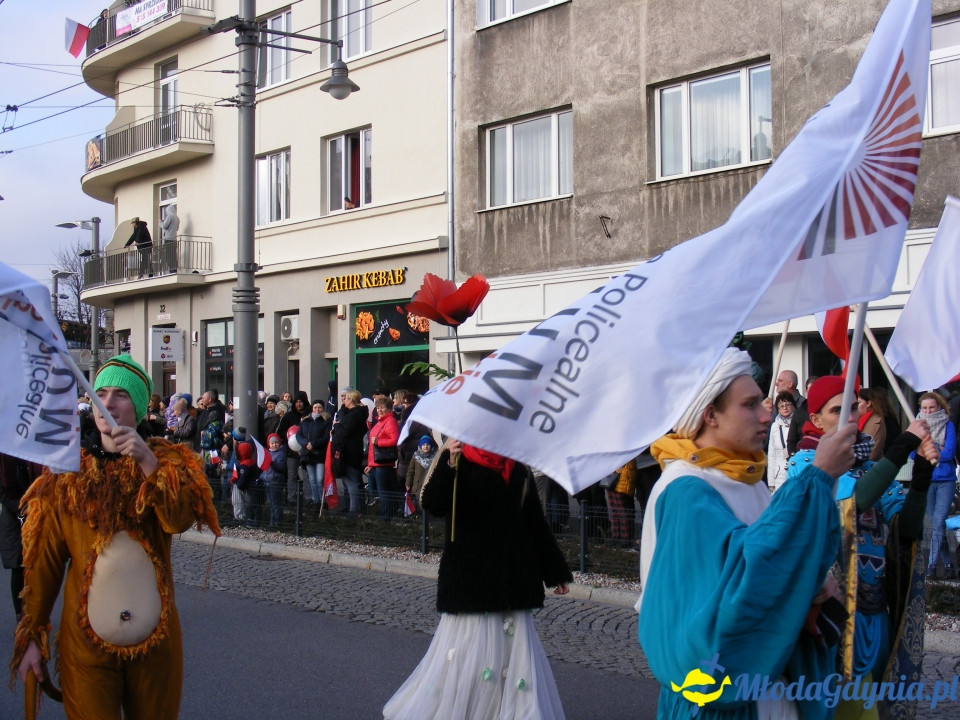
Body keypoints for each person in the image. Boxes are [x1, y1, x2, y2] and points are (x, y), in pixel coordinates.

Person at [638, 348, 858, 720]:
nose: (765, 414)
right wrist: (818, 476)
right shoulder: (685, 488)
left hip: (765, 685)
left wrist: (809, 585)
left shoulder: (745, 477)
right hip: (721, 699)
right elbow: (741, 581)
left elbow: (772, 568)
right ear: (710, 414)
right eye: (750, 404)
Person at [11, 354, 220, 719]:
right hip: (86, 650)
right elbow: (43, 566)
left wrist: (147, 463)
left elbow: (178, 520)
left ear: (138, 407)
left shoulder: (167, 464)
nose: (107, 403)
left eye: (120, 395)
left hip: (156, 649)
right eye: (101, 393)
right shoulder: (65, 477)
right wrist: (32, 635)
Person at [384, 439, 572, 720]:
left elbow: (534, 522)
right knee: (471, 654)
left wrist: (554, 571)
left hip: (513, 576)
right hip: (471, 576)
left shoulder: (517, 467)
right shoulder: (458, 458)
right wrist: (447, 462)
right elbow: (433, 503)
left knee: (514, 655)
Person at [789, 375, 935, 717]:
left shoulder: (871, 467)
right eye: (837, 410)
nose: (849, 417)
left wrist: (923, 476)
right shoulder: (804, 466)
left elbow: (906, 533)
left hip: (875, 613)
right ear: (815, 421)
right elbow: (851, 506)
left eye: (853, 408)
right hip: (834, 613)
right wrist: (901, 449)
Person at [917, 391, 956, 579]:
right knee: (935, 525)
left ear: (939, 407)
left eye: (931, 407)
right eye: (924, 407)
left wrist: (930, 450)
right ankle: (948, 563)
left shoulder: (948, 424)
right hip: (927, 479)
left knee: (939, 522)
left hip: (945, 480)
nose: (928, 410)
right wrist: (933, 450)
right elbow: (912, 454)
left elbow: (949, 452)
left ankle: (931, 566)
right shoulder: (917, 426)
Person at [0, 454, 43, 622]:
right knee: (18, 565)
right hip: (14, 515)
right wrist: (23, 509)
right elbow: (3, 491)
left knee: (41, 563)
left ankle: (38, 611)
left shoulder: (34, 453)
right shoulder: (5, 455)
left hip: (40, 510)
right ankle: (21, 615)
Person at [330, 389, 368, 518]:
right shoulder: (351, 414)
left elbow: (345, 431)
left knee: (352, 482)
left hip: (350, 453)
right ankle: (352, 507)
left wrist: (336, 426)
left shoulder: (355, 415)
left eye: (345, 398)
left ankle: (354, 510)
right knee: (349, 481)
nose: (343, 401)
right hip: (347, 451)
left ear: (351, 400)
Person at [366, 396, 400, 520]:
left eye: (382, 408)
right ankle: (386, 515)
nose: (379, 410)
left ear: (389, 409)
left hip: (383, 464)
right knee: (382, 491)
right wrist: (370, 464)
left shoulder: (390, 421)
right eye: (378, 407)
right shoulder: (380, 422)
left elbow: (394, 440)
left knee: (383, 491)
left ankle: (386, 516)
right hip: (377, 463)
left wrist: (379, 442)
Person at [297, 401, 332, 516]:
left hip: (320, 454)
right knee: (312, 480)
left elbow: (326, 437)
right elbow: (299, 435)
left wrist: (313, 444)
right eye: (315, 407)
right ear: (312, 408)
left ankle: (323, 502)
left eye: (320, 407)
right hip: (308, 454)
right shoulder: (305, 421)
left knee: (320, 479)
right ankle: (316, 502)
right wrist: (306, 443)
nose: (317, 410)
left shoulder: (326, 421)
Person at [767, 390, 796, 491]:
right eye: (781, 406)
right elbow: (771, 454)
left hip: (795, 469)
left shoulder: (798, 423)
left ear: (793, 405)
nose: (785, 408)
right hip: (779, 474)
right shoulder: (775, 426)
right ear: (778, 409)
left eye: (788, 404)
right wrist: (771, 483)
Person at [603, 460, 636, 548]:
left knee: (621, 512)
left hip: (618, 478)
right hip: (615, 478)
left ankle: (623, 539)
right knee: (617, 511)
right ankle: (619, 537)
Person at [404, 435, 436, 516]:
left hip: (429, 485)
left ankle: (428, 519)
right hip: (417, 485)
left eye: (427, 445)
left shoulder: (435, 458)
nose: (425, 446)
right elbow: (410, 471)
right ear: (420, 446)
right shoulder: (415, 457)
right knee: (417, 502)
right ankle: (418, 518)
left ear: (431, 446)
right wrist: (408, 483)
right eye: (423, 445)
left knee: (428, 501)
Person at [856, 387, 887, 461]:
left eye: (858, 403)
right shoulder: (855, 421)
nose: (855, 407)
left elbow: (872, 454)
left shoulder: (876, 422)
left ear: (868, 403)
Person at [263, 433, 287, 528]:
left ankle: (277, 522)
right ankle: (272, 521)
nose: (274, 445)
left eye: (276, 443)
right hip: (267, 480)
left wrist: (272, 464)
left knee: (275, 503)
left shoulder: (281, 454)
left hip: (275, 481)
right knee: (271, 503)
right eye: (272, 443)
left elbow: (280, 468)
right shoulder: (268, 453)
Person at [159, 204, 179, 272]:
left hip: (168, 239)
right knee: (173, 255)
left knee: (168, 256)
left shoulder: (170, 217)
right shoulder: (177, 218)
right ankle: (174, 270)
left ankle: (171, 270)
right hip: (174, 239)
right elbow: (177, 229)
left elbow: (164, 226)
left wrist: (160, 222)